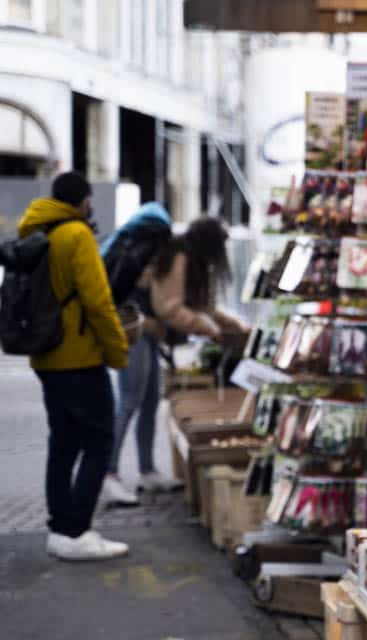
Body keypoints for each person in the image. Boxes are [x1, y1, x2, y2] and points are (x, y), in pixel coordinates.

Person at [18, 172, 130, 560]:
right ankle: (77, 530)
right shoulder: (77, 235)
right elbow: (98, 302)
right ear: (83, 201)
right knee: (99, 440)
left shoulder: (36, 233)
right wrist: (117, 351)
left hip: (45, 354)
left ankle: (60, 529)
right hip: (79, 356)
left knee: (63, 443)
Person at [102, 216, 246, 505]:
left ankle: (147, 471)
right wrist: (208, 329)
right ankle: (109, 474)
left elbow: (200, 305)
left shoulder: (185, 256)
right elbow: (169, 308)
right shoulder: (179, 256)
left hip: (147, 332)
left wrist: (233, 325)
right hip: (135, 330)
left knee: (149, 402)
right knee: (130, 401)